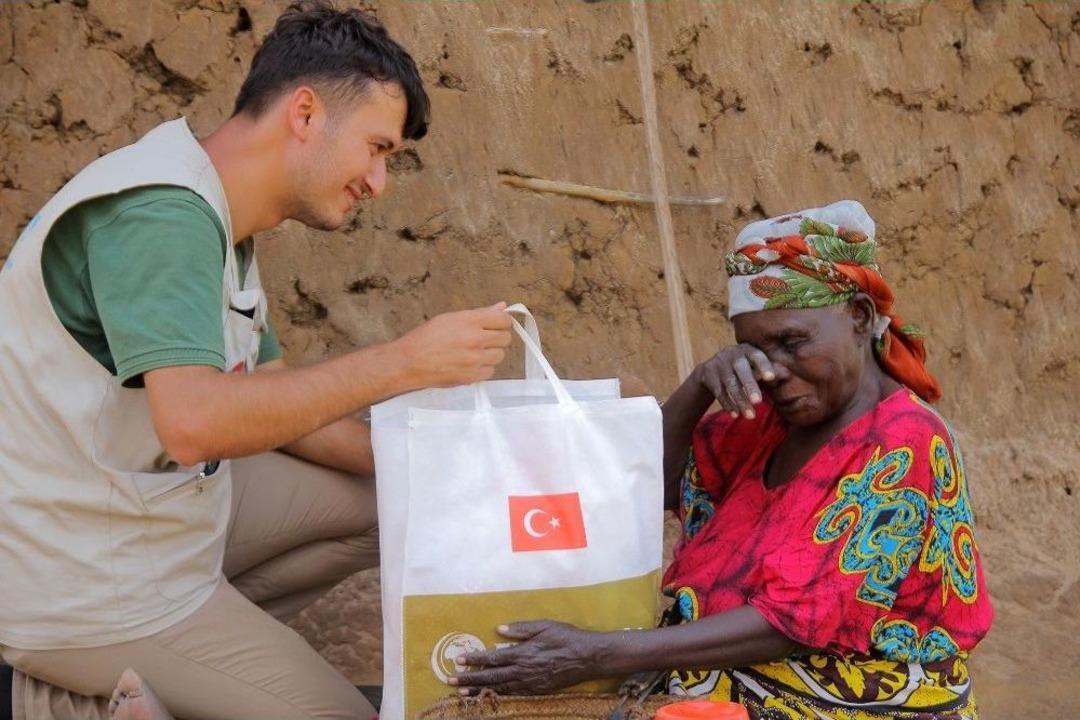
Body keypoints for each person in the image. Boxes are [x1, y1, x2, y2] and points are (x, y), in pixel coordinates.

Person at [0, 3, 513, 720]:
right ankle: (84, 681)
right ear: (304, 113)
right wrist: (403, 364)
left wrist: (421, 466)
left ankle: (188, 671)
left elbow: (273, 404)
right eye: (376, 148)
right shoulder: (161, 213)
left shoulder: (223, 219)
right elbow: (194, 425)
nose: (378, 181)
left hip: (149, 516)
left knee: (401, 504)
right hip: (88, 577)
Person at [452, 200, 993, 719]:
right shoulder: (764, 420)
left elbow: (789, 623)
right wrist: (698, 386)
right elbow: (644, 490)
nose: (773, 369)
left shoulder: (905, 441)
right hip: (734, 685)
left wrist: (598, 655)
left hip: (858, 704)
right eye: (753, 348)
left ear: (857, 316)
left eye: (791, 341)